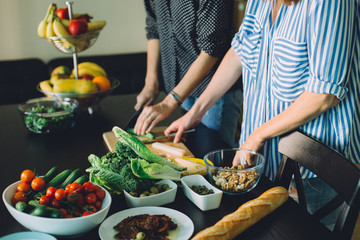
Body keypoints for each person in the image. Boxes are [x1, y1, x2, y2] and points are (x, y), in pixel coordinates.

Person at [165, 0, 360, 228]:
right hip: (264, 160)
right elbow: (239, 51)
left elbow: (324, 94)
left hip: (311, 168)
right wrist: (196, 112)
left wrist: (257, 136)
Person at [133, 0, 242, 147]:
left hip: (214, 90)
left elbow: (212, 48)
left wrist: (170, 101)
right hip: (179, 89)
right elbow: (153, 27)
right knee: (191, 156)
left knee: (211, 163)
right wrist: (150, 83)